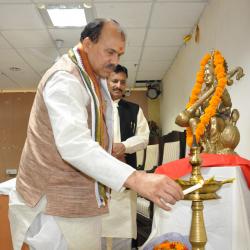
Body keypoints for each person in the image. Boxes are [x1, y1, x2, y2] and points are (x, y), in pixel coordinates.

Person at [8, 18, 183, 250]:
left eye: (119, 54)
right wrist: (137, 178)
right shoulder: (64, 79)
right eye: (109, 52)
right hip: (54, 205)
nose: (115, 61)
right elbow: (74, 145)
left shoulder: (94, 77)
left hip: (81, 201)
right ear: (88, 43)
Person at [101, 65, 149, 250]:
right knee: (98, 230)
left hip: (125, 176)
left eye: (122, 82)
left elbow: (144, 137)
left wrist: (125, 146)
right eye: (114, 81)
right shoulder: (95, 108)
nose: (118, 85)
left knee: (124, 230)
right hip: (98, 178)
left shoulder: (134, 110)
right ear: (106, 80)